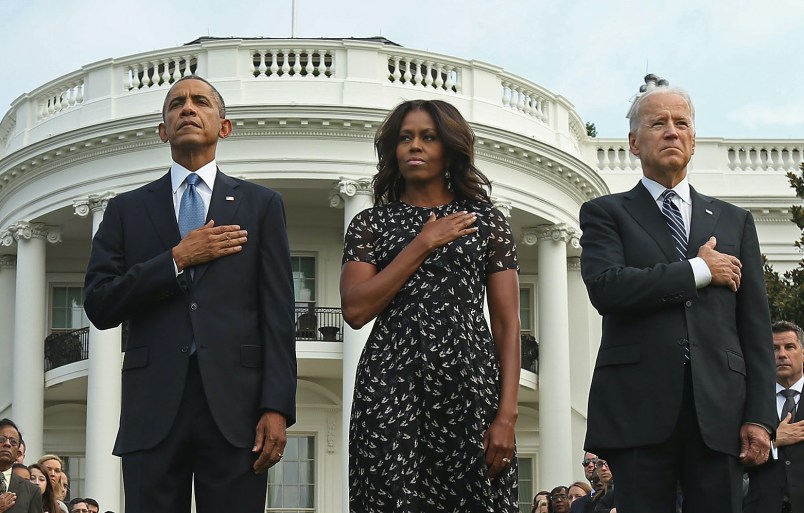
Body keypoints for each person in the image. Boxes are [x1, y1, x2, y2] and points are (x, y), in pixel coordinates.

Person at [83, 75, 297, 513]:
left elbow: (277, 315)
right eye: (176, 104)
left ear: (224, 126)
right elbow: (100, 303)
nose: (187, 109)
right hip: (153, 408)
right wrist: (176, 259)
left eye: (200, 101)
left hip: (237, 411)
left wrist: (277, 407)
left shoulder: (261, 205)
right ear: (163, 130)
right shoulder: (126, 209)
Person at [579, 83, 776, 513]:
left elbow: (755, 328)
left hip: (721, 412)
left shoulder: (733, 221)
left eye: (681, 123)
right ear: (633, 142)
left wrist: (761, 416)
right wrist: (699, 270)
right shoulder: (606, 213)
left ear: (693, 140)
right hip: (638, 411)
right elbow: (608, 287)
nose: (671, 131)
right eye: (657, 123)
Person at [341, 99, 521, 512]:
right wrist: (422, 243)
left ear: (449, 148)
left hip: (469, 385)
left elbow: (507, 324)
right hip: (389, 385)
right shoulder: (370, 223)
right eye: (405, 138)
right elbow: (354, 310)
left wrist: (506, 414)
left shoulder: (486, 221)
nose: (414, 146)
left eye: (427, 137)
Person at [744, 320, 804, 513]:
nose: (782, 354)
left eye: (790, 347)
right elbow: (735, 459)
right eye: (774, 348)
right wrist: (774, 442)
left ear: (803, 354)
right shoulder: (747, 400)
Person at [0, 418, 44, 513]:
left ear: (18, 453)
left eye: (13, 442)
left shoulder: (32, 491)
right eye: (1, 439)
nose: (7, 444)